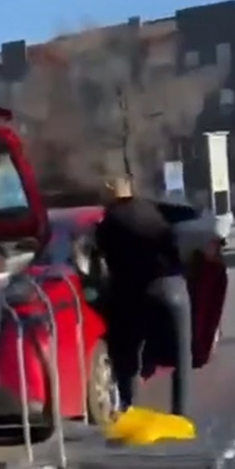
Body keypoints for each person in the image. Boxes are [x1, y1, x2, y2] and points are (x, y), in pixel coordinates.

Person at [93, 175, 193, 417]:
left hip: (136, 291)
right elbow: (186, 223)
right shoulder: (152, 208)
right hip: (174, 287)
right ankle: (181, 413)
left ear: (110, 194)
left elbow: (105, 264)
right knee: (182, 356)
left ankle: (130, 408)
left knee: (127, 352)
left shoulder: (108, 223)